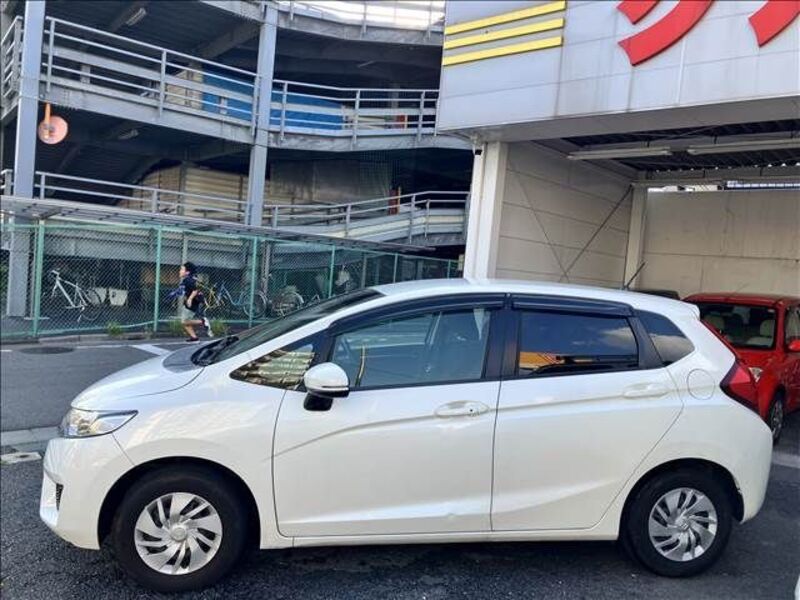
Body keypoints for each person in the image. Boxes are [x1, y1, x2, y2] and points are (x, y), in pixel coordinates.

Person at [177, 262, 213, 342]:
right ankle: (194, 338)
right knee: (185, 322)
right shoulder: (190, 279)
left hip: (191, 303)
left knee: (184, 322)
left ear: (187, 272)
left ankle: (202, 322)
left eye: (182, 269)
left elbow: (195, 290)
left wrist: (189, 299)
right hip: (192, 302)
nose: (179, 271)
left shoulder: (188, 280)